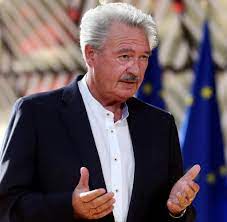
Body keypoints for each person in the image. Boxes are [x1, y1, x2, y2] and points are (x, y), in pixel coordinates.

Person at [0, 2, 200, 222]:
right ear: (90, 55)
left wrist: (175, 210)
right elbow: (7, 207)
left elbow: (173, 215)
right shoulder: (36, 114)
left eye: (143, 57)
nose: (135, 69)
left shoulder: (160, 125)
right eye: (125, 56)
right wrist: (70, 207)